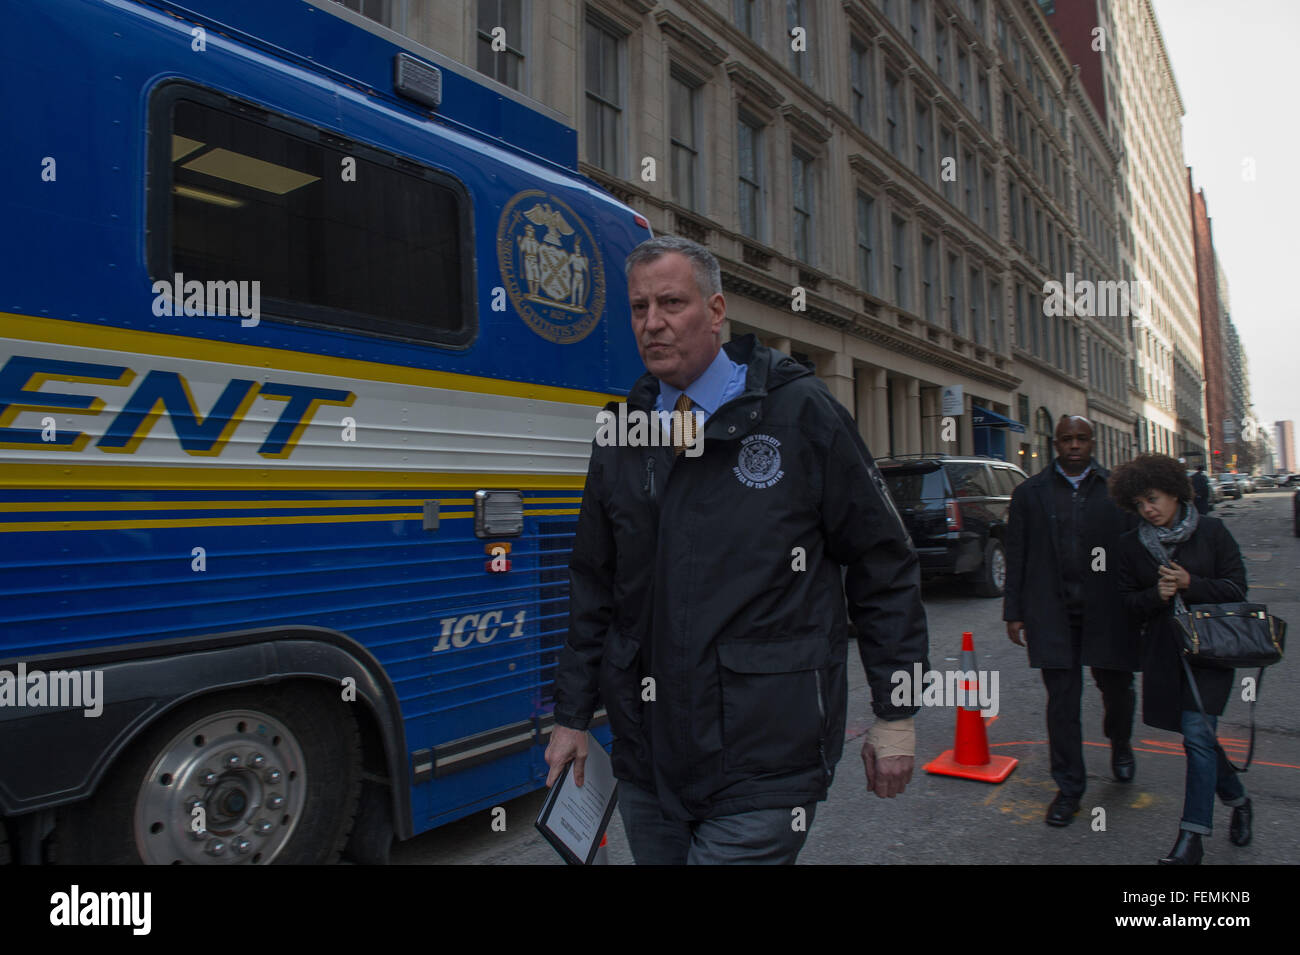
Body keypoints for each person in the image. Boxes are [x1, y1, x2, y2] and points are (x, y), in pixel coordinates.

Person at [544, 235, 929, 864]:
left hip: (765, 756)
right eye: (639, 308)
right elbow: (595, 586)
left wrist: (897, 712)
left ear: (717, 312)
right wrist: (572, 714)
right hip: (649, 759)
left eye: (671, 302)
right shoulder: (621, 432)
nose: (653, 323)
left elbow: (883, 563)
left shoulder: (802, 413)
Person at [1111, 453, 1252, 865]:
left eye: (1153, 498)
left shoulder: (1212, 532)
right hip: (1166, 656)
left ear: (1174, 491)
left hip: (1211, 652)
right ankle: (1239, 799)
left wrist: (1193, 583)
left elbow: (1237, 589)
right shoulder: (1130, 545)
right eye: (1139, 504)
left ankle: (1192, 839)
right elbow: (1125, 603)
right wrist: (1156, 595)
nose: (1147, 509)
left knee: (1196, 734)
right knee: (1200, 738)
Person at [1003, 414, 1140, 827]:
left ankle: (1121, 744)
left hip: (1108, 612)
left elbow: (1137, 549)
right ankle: (1069, 788)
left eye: (1081, 438)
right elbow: (1018, 554)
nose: (1074, 445)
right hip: (1053, 613)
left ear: (1092, 441)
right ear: (1055, 443)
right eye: (1067, 439)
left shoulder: (1117, 490)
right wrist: (1014, 612)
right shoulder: (1031, 493)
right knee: (1062, 704)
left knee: (1117, 690)